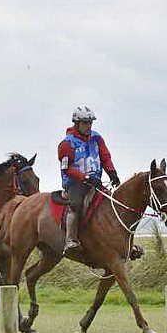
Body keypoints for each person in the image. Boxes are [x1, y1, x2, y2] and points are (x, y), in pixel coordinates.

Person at [58, 106, 120, 255]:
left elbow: (105, 157)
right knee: (76, 204)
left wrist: (112, 173)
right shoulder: (67, 143)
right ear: (76, 123)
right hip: (75, 183)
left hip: (95, 181)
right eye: (85, 123)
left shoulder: (96, 138)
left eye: (90, 123)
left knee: (111, 201)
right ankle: (71, 240)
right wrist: (85, 178)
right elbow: (67, 169)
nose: (89, 126)